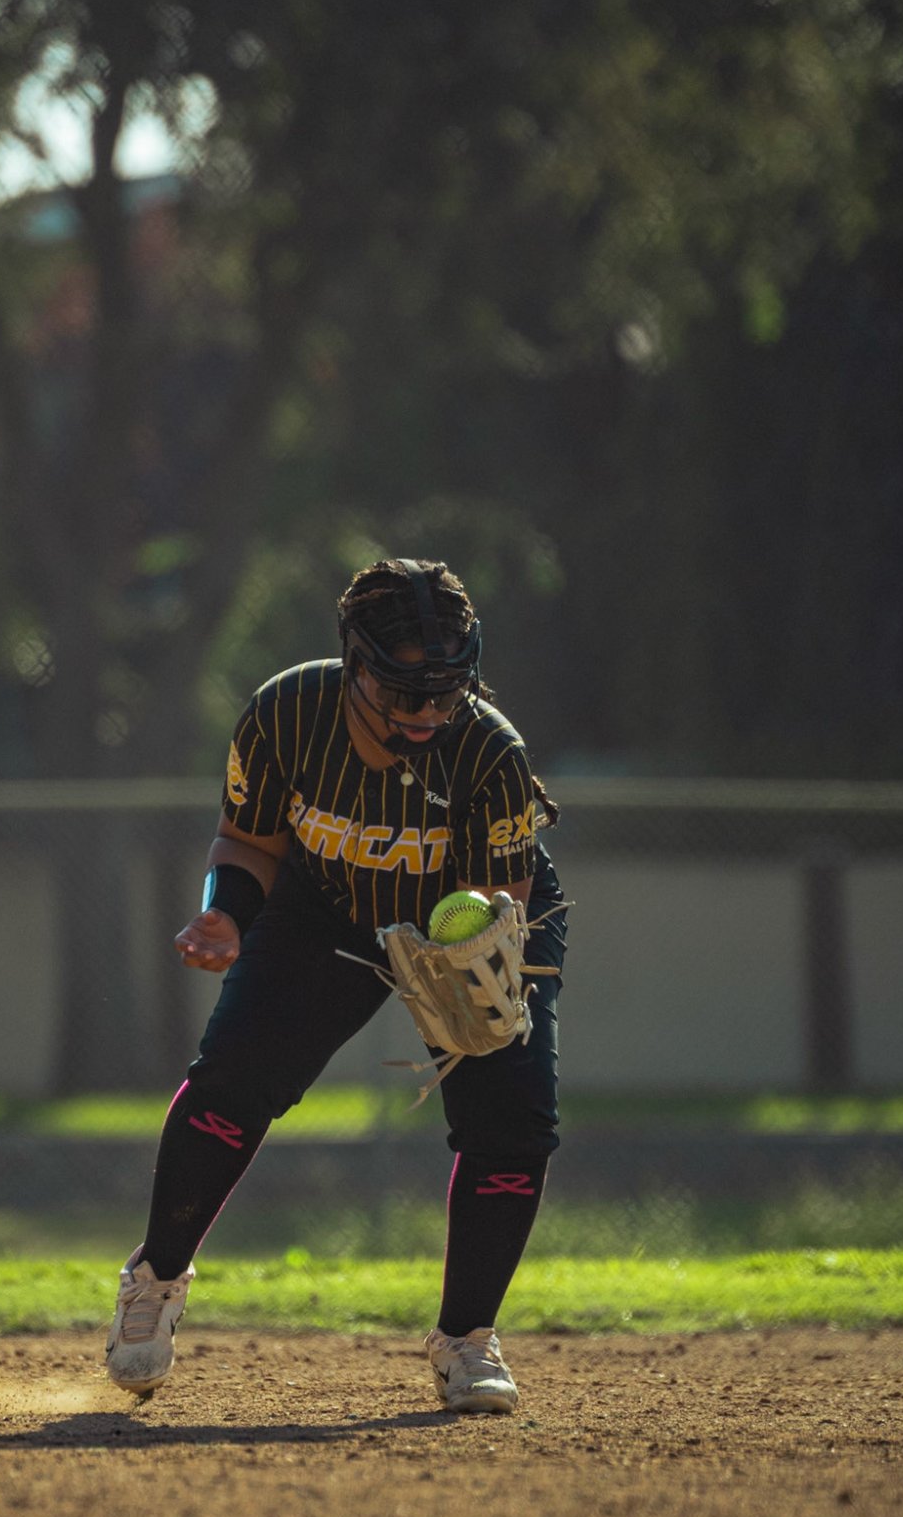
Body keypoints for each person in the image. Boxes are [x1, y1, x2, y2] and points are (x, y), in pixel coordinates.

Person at [106, 556, 566, 1414]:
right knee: (233, 1081)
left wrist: (476, 959)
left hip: (456, 928)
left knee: (511, 1117)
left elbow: (496, 900)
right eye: (402, 693)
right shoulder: (285, 714)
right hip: (323, 905)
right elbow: (246, 843)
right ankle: (155, 1281)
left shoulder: (487, 750)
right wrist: (226, 917)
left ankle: (468, 1340)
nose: (427, 714)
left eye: (444, 691)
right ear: (352, 662)